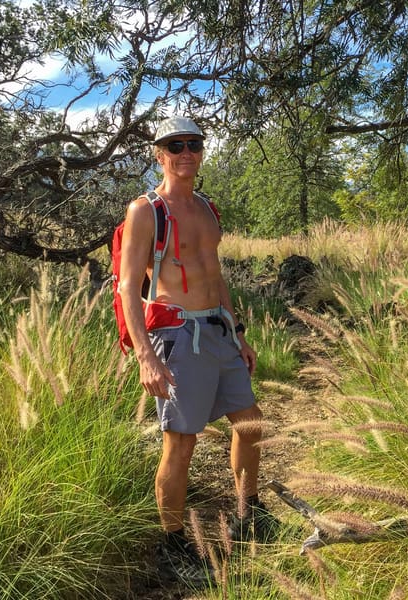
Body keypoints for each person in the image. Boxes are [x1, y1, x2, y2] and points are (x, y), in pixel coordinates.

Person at [118, 115, 279, 586]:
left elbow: (215, 274)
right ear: (159, 154)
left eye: (193, 144)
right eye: (175, 145)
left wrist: (238, 332)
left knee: (250, 422)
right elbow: (128, 287)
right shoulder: (146, 210)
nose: (186, 152)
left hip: (218, 331)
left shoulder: (208, 207)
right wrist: (146, 356)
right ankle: (172, 544)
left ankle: (249, 514)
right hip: (177, 336)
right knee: (182, 442)